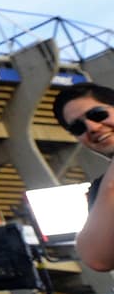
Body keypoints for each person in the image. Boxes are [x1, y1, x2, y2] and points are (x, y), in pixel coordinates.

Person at [52, 82, 114, 270]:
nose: (92, 128)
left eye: (97, 114)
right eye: (78, 127)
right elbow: (97, 258)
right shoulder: (100, 190)